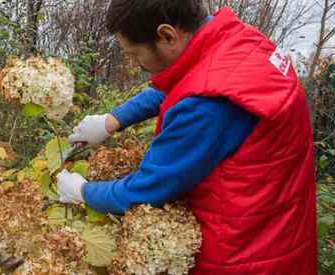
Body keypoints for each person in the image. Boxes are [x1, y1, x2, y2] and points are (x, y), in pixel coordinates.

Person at [56, 1, 317, 274]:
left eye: (133, 54)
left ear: (167, 35)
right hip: (281, 229)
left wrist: (83, 192)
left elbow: (147, 189)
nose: (134, 62)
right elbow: (190, 78)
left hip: (243, 255)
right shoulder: (239, 42)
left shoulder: (208, 108)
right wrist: (112, 121)